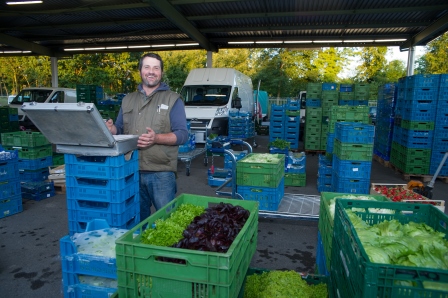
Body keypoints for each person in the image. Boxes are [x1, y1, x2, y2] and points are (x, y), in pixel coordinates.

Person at [106, 53, 189, 222]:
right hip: (131, 170)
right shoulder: (128, 100)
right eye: (147, 67)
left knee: (167, 221)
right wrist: (112, 129)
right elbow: (121, 128)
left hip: (162, 173)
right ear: (140, 71)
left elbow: (182, 134)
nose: (151, 71)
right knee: (136, 221)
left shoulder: (173, 99)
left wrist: (156, 138)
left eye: (156, 68)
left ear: (161, 72)